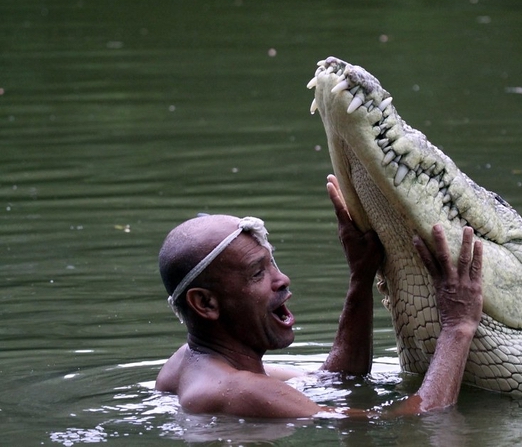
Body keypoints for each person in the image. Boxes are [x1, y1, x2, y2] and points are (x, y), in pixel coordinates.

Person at [155, 174, 483, 418]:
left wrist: (361, 275)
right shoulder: (244, 390)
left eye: (272, 264)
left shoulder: (184, 364)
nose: (281, 279)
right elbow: (414, 417)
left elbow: (337, 380)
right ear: (206, 303)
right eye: (258, 273)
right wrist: (457, 326)